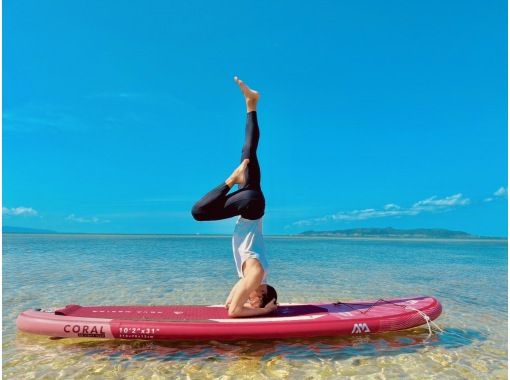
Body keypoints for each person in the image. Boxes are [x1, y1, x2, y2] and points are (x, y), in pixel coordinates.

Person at [191, 76, 278, 318]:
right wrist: (264, 313)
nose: (250, 300)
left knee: (248, 151)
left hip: (253, 203)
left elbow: (229, 302)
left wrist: (243, 303)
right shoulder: (256, 274)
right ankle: (232, 179)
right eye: (255, 301)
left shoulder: (253, 274)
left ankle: (251, 105)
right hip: (249, 205)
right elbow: (234, 312)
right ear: (260, 295)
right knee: (199, 213)